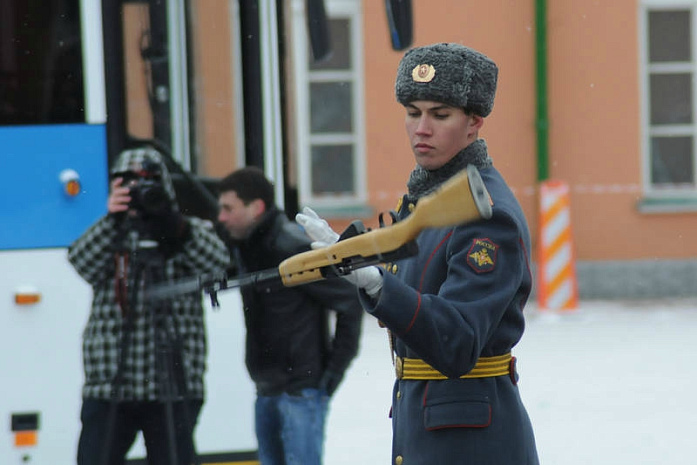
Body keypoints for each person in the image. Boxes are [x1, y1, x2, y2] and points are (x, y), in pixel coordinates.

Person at [296, 43, 540, 464]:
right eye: (413, 112)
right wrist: (356, 253)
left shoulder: (485, 214)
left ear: (474, 123)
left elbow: (457, 340)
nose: (421, 129)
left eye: (440, 115)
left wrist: (379, 285)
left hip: (470, 443)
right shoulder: (432, 197)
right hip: (431, 426)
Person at [68, 147, 230, 465]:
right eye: (128, 181)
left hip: (173, 380)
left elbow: (218, 265)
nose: (138, 189)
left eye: (148, 181)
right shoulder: (109, 232)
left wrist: (175, 228)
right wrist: (113, 220)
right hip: (111, 379)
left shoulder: (185, 231)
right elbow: (81, 263)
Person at [216, 167, 363, 465]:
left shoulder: (291, 246)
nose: (221, 217)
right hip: (266, 389)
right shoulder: (247, 246)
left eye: (228, 208)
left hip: (301, 391)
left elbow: (350, 301)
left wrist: (330, 375)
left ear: (256, 207)